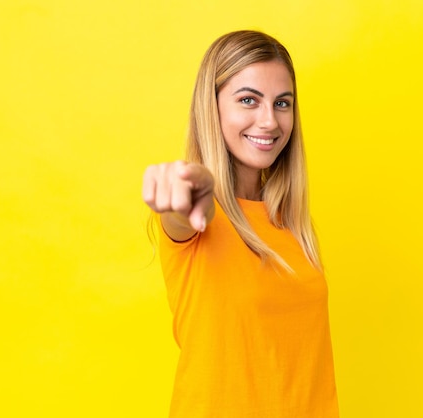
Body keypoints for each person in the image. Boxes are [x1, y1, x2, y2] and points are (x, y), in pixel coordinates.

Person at [142, 30, 339, 418]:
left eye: (282, 103)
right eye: (248, 100)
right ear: (211, 107)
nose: (269, 121)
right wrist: (186, 190)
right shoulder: (199, 218)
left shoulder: (290, 221)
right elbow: (180, 215)